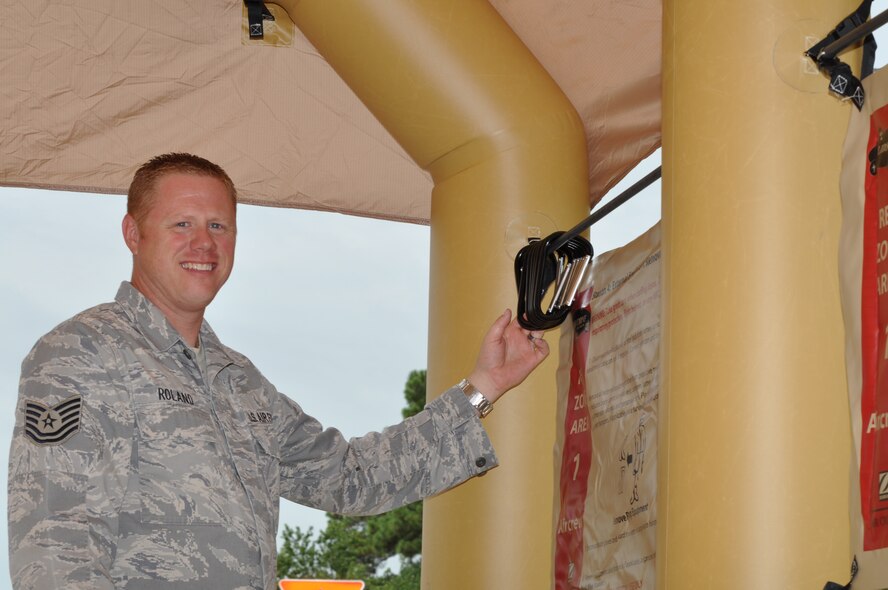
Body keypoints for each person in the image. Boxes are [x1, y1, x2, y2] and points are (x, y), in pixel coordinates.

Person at [7, 153, 549, 590]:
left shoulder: (240, 383)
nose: (204, 243)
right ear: (133, 233)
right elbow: (56, 546)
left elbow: (351, 477)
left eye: (219, 226)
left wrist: (484, 386)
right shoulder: (83, 353)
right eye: (181, 224)